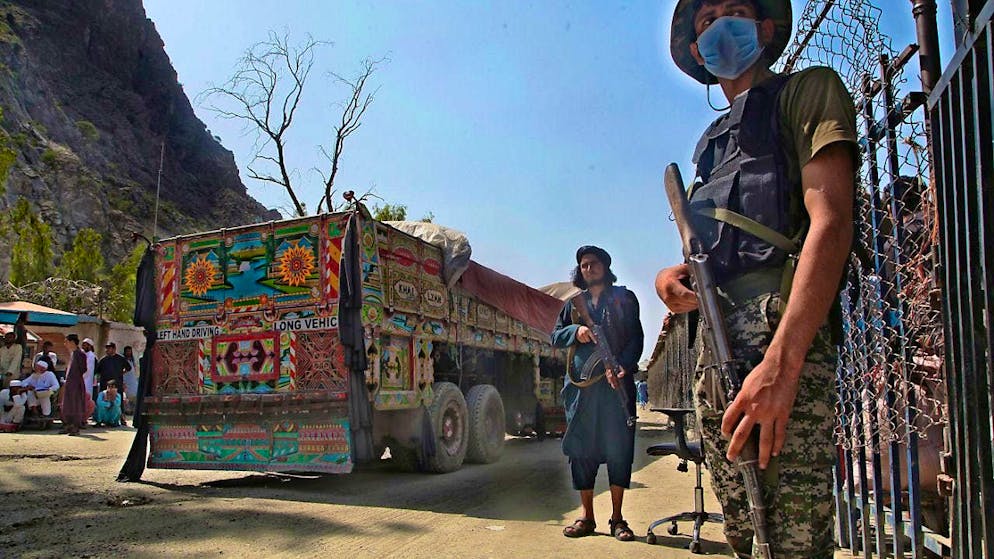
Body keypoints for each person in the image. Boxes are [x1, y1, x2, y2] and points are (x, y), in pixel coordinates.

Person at [656, 0, 856, 556]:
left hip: (778, 339)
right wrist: (669, 279)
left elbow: (832, 220)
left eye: (735, 9)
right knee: (745, 535)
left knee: (791, 539)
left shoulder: (806, 92)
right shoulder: (711, 148)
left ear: (765, 29)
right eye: (706, 18)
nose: (721, 23)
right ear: (697, 51)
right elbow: (712, 254)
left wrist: (783, 365)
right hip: (715, 352)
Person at [552, 245, 644, 541]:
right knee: (581, 451)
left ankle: (617, 519)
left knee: (619, 450)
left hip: (616, 387)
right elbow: (555, 335)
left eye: (592, 263)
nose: (587, 269)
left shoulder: (624, 299)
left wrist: (624, 367)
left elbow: (636, 338)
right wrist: (574, 333)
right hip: (581, 392)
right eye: (582, 265)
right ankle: (587, 516)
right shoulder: (572, 305)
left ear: (605, 266)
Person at [60, 334, 89, 436]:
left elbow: (83, 369)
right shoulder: (73, 354)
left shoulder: (80, 354)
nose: (65, 344)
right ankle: (68, 425)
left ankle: (75, 427)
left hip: (76, 383)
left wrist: (75, 378)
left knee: (75, 405)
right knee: (67, 405)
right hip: (69, 382)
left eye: (66, 341)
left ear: (72, 342)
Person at [122, 346, 139, 415]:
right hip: (126, 380)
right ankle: (127, 411)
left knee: (134, 395)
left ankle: (133, 410)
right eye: (127, 351)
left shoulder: (132, 360)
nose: (128, 352)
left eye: (130, 351)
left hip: (133, 380)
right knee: (126, 396)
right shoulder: (123, 360)